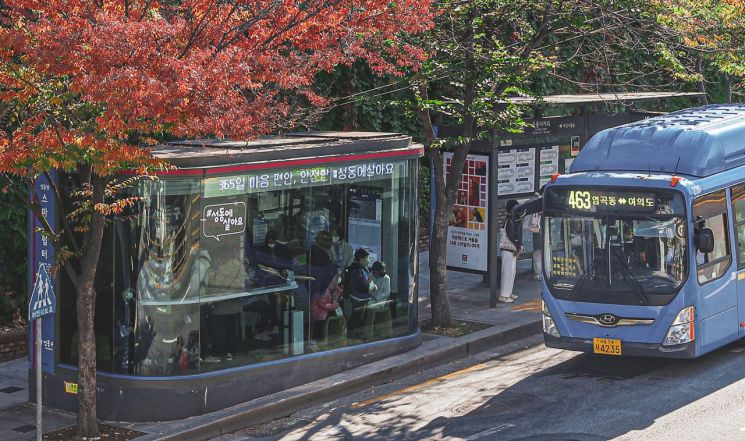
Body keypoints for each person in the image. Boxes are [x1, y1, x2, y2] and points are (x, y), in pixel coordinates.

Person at [345, 248, 376, 336]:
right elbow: (361, 284)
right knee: (357, 317)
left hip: (363, 297)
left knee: (362, 317)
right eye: (366, 258)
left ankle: (358, 334)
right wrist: (369, 285)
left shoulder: (362, 268)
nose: (368, 260)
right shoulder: (357, 269)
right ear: (361, 259)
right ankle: (353, 335)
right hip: (358, 298)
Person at [499, 199, 523, 303]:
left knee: (511, 271)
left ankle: (508, 292)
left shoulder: (511, 219)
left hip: (511, 248)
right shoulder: (510, 220)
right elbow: (511, 235)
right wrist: (518, 245)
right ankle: (504, 295)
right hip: (508, 248)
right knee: (507, 272)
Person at [309, 281, 343, 351]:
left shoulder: (331, 289)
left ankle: (319, 341)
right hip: (319, 313)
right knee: (318, 327)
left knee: (323, 326)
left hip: (325, 312)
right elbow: (322, 303)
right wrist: (334, 305)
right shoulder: (323, 290)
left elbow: (337, 293)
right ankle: (313, 342)